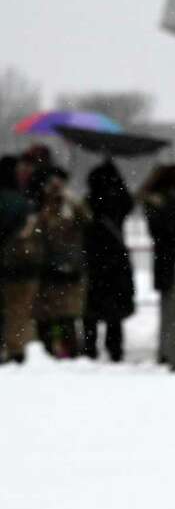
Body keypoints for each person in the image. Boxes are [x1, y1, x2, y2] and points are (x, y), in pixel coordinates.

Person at [138, 164, 175, 363]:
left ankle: (167, 350)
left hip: (165, 259)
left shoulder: (156, 201)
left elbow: (157, 230)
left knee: (168, 308)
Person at [31, 166, 89, 359]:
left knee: (66, 316)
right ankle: (48, 349)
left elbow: (86, 219)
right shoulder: (41, 206)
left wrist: (69, 200)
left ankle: (68, 351)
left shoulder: (71, 205)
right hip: (47, 268)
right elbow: (37, 230)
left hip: (69, 268)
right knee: (46, 316)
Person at [81, 159, 135, 362]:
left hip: (94, 256)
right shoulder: (121, 199)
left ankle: (90, 347)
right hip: (117, 257)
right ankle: (115, 348)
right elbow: (128, 205)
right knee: (115, 309)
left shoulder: (92, 200)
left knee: (91, 306)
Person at [0, 155, 38, 364]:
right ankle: (15, 350)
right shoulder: (21, 201)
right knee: (16, 309)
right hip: (16, 263)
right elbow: (28, 231)